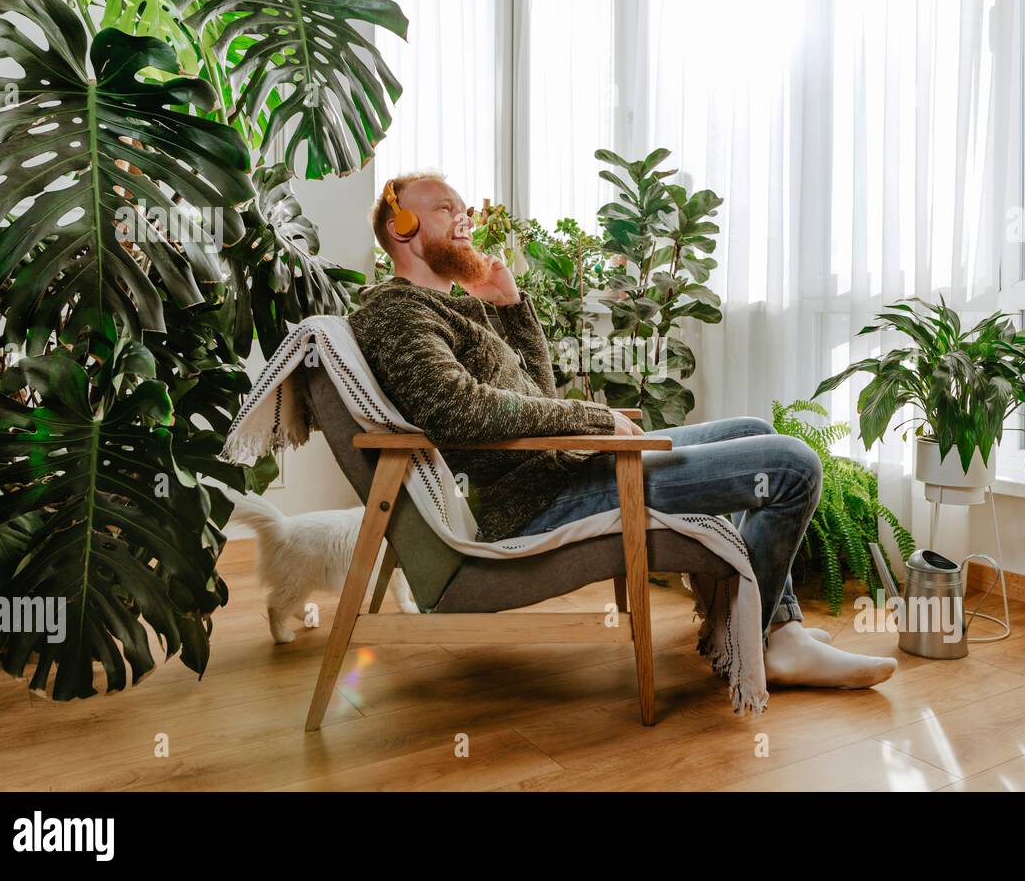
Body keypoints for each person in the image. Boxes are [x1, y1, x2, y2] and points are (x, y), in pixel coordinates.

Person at [348, 170, 897, 689]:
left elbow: (535, 399)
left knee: (753, 429)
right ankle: (768, 641)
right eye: (446, 209)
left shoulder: (450, 310)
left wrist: (512, 307)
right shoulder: (399, 312)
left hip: (567, 472)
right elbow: (457, 412)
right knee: (793, 466)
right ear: (403, 230)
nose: (464, 219)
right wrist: (595, 418)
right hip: (539, 499)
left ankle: (774, 630)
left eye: (464, 208)